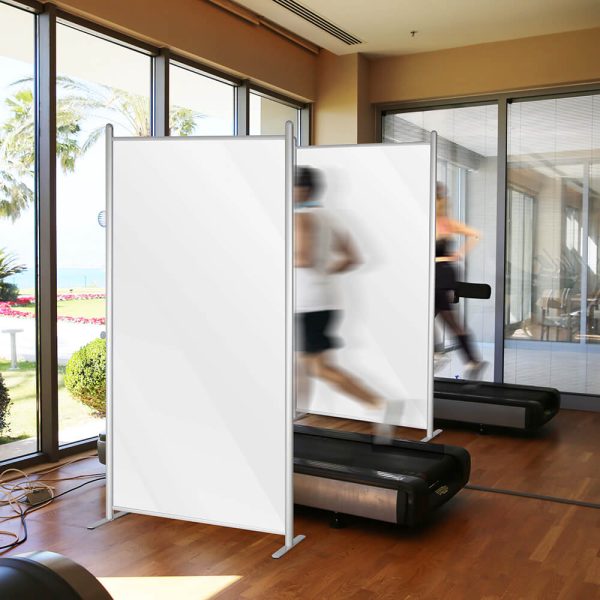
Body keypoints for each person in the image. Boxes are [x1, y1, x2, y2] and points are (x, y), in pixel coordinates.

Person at [294, 166, 401, 434]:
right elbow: (352, 257)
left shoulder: (303, 217)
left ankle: (378, 403)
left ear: (303, 189)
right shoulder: (328, 217)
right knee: (304, 364)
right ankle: (294, 416)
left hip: (308, 303)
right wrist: (326, 272)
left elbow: (304, 258)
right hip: (325, 301)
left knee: (317, 367)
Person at [435, 182, 487, 380]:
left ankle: (466, 359)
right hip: (445, 272)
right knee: (447, 318)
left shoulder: (437, 222)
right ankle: (472, 360)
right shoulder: (446, 222)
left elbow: (476, 235)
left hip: (440, 273)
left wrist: (458, 253)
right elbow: (475, 235)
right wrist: (457, 254)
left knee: (445, 317)